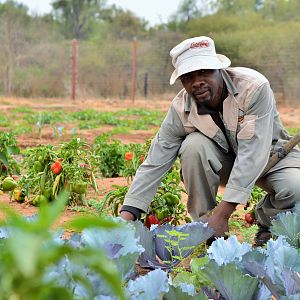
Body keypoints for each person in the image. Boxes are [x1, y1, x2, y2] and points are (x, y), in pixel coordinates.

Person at [120, 36, 300, 246]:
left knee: (296, 188)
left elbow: (253, 153)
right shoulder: (180, 109)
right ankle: (206, 230)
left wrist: (224, 213)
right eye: (188, 77)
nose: (197, 82)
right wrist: (127, 215)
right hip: (226, 163)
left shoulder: (254, 88)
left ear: (219, 70)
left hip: (272, 156)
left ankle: (266, 220)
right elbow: (155, 162)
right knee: (194, 147)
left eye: (204, 72)